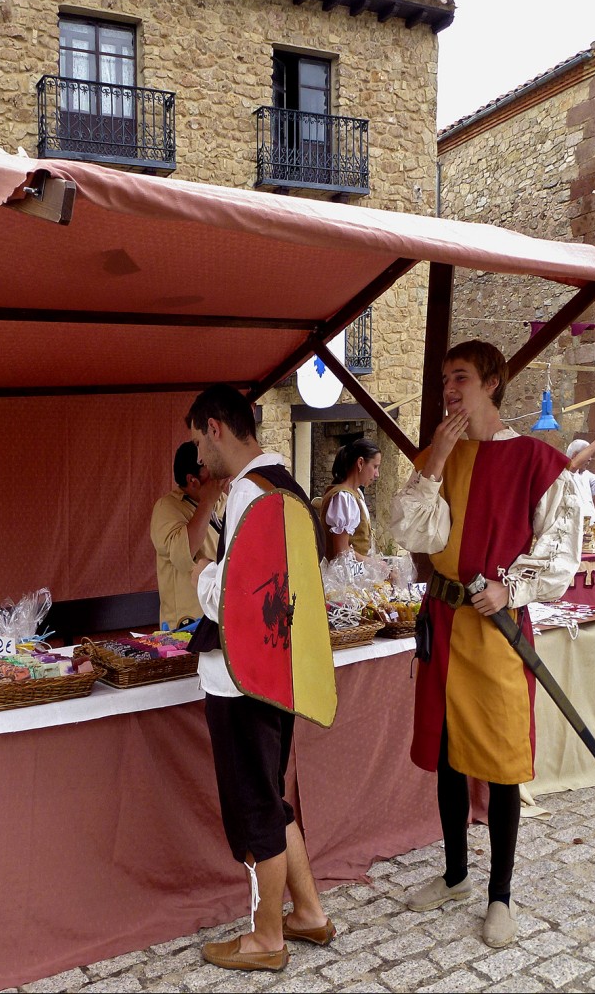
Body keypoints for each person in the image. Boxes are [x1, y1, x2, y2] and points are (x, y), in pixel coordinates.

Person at [388, 340, 582, 950]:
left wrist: (511, 586)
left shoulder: (537, 461)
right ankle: (454, 876)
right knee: (446, 754)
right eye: (446, 378)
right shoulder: (440, 457)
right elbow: (410, 528)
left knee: (499, 761)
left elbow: (560, 551)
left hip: (496, 631)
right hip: (444, 623)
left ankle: (500, 894)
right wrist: (436, 461)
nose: (450, 388)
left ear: (492, 382)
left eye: (462, 377)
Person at [185, 384, 334, 974]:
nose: (200, 457)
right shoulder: (286, 483)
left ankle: (265, 937)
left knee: (254, 807)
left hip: (241, 679)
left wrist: (202, 574)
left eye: (199, 440)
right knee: (270, 798)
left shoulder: (249, 493)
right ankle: (309, 914)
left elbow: (239, 602)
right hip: (276, 674)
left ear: (217, 427)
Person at [149, 441, 227, 631]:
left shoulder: (223, 501)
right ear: (193, 480)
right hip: (187, 627)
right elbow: (182, 556)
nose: (218, 475)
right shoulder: (167, 508)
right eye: (211, 469)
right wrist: (207, 502)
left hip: (220, 617)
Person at [319, 439, 381, 560]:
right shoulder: (343, 498)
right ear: (360, 463)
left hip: (355, 573)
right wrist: (374, 564)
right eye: (375, 467)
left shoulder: (355, 494)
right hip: (344, 576)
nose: (377, 474)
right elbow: (342, 552)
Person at [566, 427, 595, 524]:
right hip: (576, 532)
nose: (590, 459)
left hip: (591, 529)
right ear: (575, 456)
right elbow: (572, 465)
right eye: (588, 455)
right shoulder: (564, 472)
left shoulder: (586, 474)